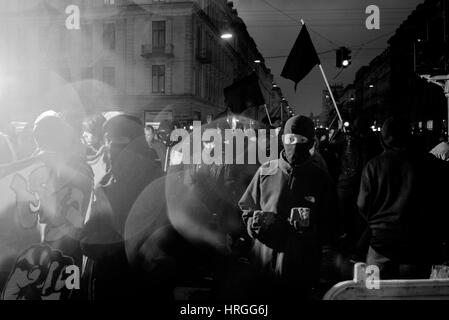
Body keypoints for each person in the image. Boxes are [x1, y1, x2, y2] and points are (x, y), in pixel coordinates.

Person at [238, 115, 339, 300]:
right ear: (283, 139)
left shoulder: (320, 178)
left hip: (301, 267)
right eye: (290, 139)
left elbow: (333, 225)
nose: (295, 144)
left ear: (310, 143)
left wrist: (309, 229)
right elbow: (246, 208)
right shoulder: (265, 171)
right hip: (264, 263)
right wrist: (254, 222)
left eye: (302, 140)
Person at [80, 114, 162, 300]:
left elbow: (88, 241)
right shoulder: (159, 180)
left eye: (116, 142)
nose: (109, 149)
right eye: (108, 142)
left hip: (122, 282)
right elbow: (88, 239)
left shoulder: (106, 186)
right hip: (132, 283)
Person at [358, 116, 449, 280]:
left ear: (383, 139)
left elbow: (363, 205)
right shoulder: (431, 164)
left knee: (374, 292)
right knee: (414, 293)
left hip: (380, 250)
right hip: (420, 247)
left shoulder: (373, 166)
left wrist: (378, 224)